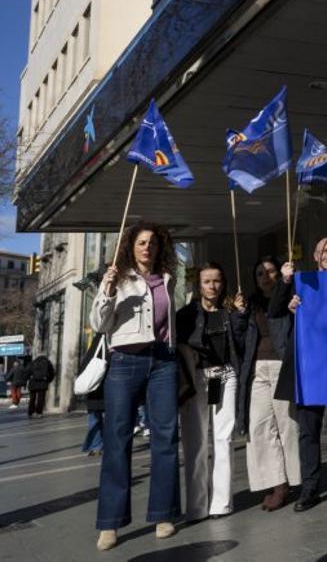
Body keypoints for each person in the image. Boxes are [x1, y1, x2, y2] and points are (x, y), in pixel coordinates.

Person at [89, 221, 182, 550]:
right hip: (125, 361)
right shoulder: (118, 279)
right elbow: (99, 324)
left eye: (152, 243)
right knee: (117, 439)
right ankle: (110, 523)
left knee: (166, 437)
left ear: (160, 248)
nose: (147, 248)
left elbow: (169, 322)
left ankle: (164, 513)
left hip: (163, 361)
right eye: (141, 243)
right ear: (131, 246)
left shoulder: (167, 280)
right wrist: (108, 291)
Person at [275, 237, 327, 512]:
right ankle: (310, 488)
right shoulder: (300, 282)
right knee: (308, 431)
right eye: (324, 250)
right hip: (309, 368)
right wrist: (286, 288)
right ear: (315, 254)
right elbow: (274, 310)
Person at [177, 262, 248, 522]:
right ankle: (196, 506)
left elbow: (240, 346)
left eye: (217, 281)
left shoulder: (231, 312)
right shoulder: (185, 314)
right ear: (199, 285)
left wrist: (240, 316)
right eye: (207, 281)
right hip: (196, 378)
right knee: (195, 443)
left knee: (223, 439)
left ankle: (221, 503)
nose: (212, 286)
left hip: (226, 376)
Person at [241, 256, 301, 511]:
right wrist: (239, 313)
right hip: (257, 368)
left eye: (270, 272)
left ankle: (289, 482)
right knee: (258, 426)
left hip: (281, 365)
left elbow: (284, 317)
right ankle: (274, 481)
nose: (265, 277)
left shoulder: (290, 297)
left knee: (287, 425)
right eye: (259, 274)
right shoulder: (250, 302)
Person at [80, 337, 105, 457]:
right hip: (105, 390)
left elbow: (84, 367)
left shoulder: (94, 347)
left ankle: (97, 446)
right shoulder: (108, 345)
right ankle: (99, 446)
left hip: (94, 391)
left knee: (94, 419)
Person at [26, 354, 55, 418]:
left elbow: (27, 372)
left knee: (32, 398)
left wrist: (29, 378)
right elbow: (52, 373)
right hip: (42, 382)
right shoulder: (47, 362)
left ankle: (30, 412)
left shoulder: (33, 362)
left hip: (33, 382)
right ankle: (39, 412)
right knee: (41, 398)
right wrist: (48, 380)